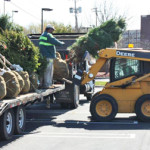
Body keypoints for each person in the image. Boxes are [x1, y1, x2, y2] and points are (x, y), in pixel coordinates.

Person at [39, 24, 64, 88]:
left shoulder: (42, 35)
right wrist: (61, 43)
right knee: (49, 70)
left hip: (44, 55)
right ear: (49, 29)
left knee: (45, 70)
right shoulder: (48, 35)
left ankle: (43, 83)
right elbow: (55, 41)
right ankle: (48, 84)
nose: (52, 31)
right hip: (48, 55)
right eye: (52, 30)